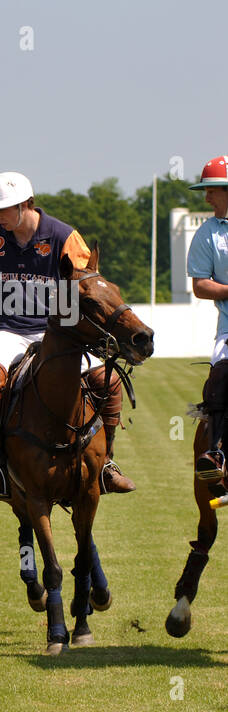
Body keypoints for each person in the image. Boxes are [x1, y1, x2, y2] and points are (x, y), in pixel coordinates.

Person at [0, 171, 133, 500]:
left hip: (60, 332)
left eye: (4, 208)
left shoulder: (63, 236)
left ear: (26, 204)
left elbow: (87, 282)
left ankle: (108, 463)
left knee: (107, 381)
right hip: (12, 330)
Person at [186, 155, 228, 481]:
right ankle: (215, 452)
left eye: (212, 190)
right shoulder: (206, 234)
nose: (206, 197)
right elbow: (200, 285)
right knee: (219, 376)